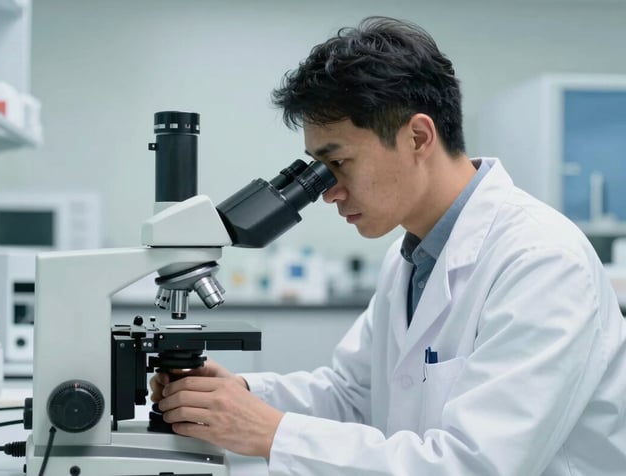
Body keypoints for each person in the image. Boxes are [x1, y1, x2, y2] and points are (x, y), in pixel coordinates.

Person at [151, 16, 626, 475]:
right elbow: (355, 395)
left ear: (418, 137)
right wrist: (239, 395)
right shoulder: (411, 258)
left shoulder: (542, 262)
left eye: (338, 163)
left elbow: (473, 464)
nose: (328, 193)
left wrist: (272, 433)